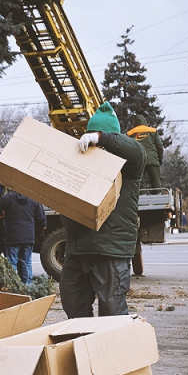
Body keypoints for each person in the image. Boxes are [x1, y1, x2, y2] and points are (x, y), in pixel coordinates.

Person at [59, 101, 145, 318]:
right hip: (78, 249)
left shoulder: (129, 166)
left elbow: (136, 150)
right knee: (73, 304)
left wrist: (101, 138)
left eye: (98, 136)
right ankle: (83, 347)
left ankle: (111, 351)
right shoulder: (82, 162)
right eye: (91, 135)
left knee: (112, 312)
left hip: (110, 250)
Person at [0, 190, 46, 284]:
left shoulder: (8, 198)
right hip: (28, 237)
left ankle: (12, 285)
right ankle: (27, 285)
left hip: (13, 236)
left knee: (12, 262)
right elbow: (42, 220)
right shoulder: (33, 199)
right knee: (26, 262)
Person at [126, 115, 164, 190]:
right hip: (153, 160)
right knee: (156, 181)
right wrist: (160, 159)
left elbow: (127, 148)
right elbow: (159, 146)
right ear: (145, 121)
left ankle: (142, 196)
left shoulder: (130, 133)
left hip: (139, 161)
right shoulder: (153, 131)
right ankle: (158, 196)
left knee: (140, 183)